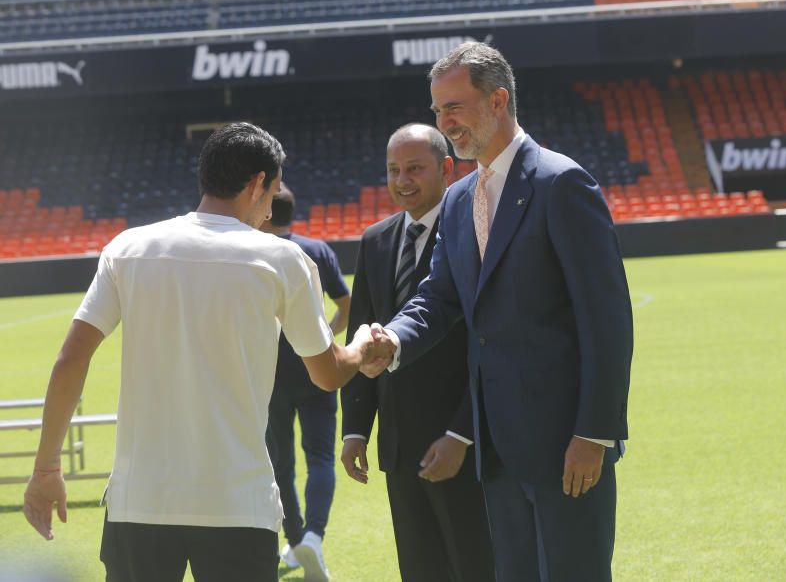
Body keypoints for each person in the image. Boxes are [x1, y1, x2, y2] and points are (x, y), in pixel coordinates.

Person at [22, 122, 392, 582]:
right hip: (238, 505)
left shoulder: (129, 247)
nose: (269, 209)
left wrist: (47, 468)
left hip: (140, 503)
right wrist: (361, 346)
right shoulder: (282, 259)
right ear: (258, 183)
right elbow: (328, 374)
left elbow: (70, 360)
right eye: (273, 192)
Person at [371, 43, 633, 582]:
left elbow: (607, 319)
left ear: (497, 100)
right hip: (495, 450)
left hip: (567, 445)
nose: (445, 123)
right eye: (438, 111)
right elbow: (438, 295)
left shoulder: (562, 184)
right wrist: (393, 341)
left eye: (454, 107)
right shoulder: (460, 198)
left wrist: (595, 433)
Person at [341, 123, 495, 582]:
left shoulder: (477, 232)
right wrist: (354, 431)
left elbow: (487, 345)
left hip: (465, 444)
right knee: (420, 569)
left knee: (477, 566)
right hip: (400, 447)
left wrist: (462, 434)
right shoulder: (374, 241)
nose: (402, 180)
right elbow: (362, 334)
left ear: (446, 168)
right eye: (393, 170)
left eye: (414, 168)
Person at [260, 183, 351, 582]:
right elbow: (347, 306)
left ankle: (295, 539)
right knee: (321, 458)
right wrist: (323, 340)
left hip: (269, 375)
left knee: (280, 462)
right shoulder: (317, 250)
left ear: (264, 212)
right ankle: (312, 537)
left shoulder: (255, 253)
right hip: (317, 370)